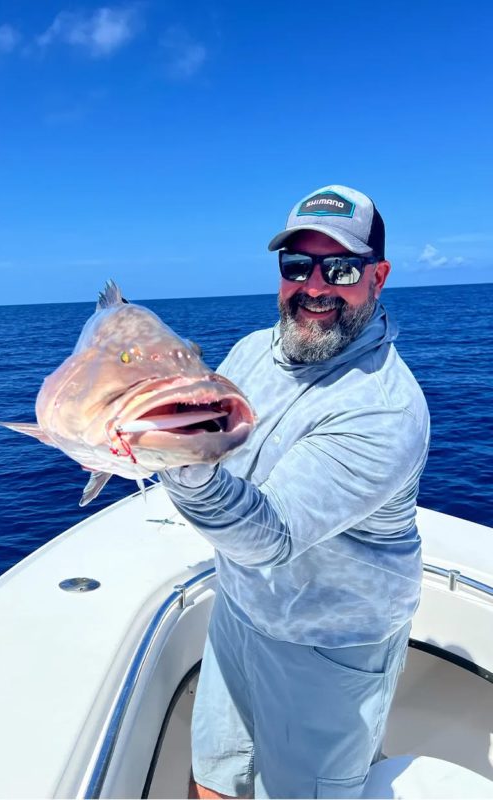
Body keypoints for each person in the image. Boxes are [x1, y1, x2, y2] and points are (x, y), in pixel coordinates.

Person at [158, 185, 430, 799]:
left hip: (329, 646)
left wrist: (170, 453)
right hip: (241, 609)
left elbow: (271, 534)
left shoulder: (384, 410)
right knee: (214, 776)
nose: (315, 286)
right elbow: (212, 432)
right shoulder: (253, 350)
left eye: (341, 268)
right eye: (297, 265)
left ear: (378, 277)